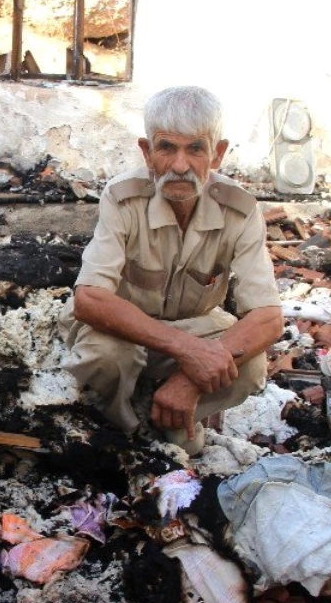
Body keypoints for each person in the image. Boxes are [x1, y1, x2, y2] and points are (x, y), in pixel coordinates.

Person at [59, 86, 284, 455]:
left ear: (217, 154)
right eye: (167, 148)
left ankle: (172, 409)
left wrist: (189, 381)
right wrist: (189, 352)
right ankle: (127, 430)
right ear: (147, 152)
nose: (180, 166)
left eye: (196, 148)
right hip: (122, 329)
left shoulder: (240, 210)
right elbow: (90, 300)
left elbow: (268, 318)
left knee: (249, 364)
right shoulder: (122, 197)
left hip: (191, 325)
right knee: (107, 357)